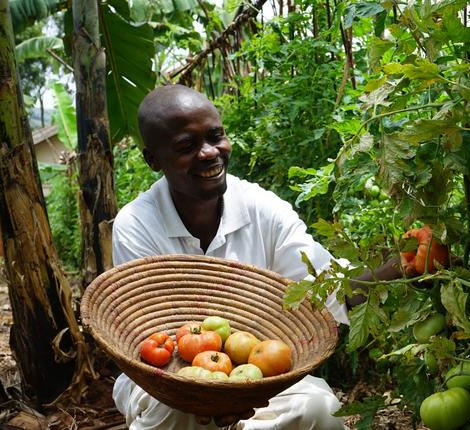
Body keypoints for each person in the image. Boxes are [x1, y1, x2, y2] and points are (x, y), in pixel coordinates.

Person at [111, 84, 402, 430]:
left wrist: (403, 265)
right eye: (187, 146)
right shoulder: (137, 224)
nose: (209, 153)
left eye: (215, 136)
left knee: (319, 409)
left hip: (257, 375)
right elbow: (149, 341)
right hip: (164, 381)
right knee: (183, 414)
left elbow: (326, 286)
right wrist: (213, 393)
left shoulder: (263, 209)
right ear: (153, 160)